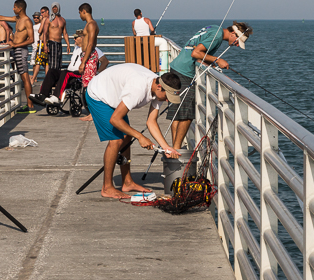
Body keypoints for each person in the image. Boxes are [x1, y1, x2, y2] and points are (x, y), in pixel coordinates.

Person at [85, 63, 182, 198]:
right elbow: (115, 120)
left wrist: (166, 147)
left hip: (115, 94)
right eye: (167, 97)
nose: (167, 100)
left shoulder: (158, 87)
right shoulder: (138, 89)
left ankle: (127, 182)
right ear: (159, 87)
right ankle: (107, 188)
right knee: (116, 140)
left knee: (126, 136)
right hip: (99, 94)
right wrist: (140, 137)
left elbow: (151, 121)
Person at [167, 21, 252, 149]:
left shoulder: (214, 28)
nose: (236, 45)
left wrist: (211, 64)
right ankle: (176, 150)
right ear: (233, 33)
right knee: (187, 115)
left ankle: (174, 148)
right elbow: (195, 53)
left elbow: (200, 55)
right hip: (185, 72)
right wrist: (218, 59)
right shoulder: (217, 37)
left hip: (177, 67)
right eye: (237, 41)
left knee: (178, 114)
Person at [0, 0, 36, 114]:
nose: (13, 9)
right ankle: (29, 105)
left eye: (14, 7)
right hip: (16, 49)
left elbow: (31, 39)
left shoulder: (27, 21)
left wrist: (15, 44)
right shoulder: (17, 19)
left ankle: (30, 106)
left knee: (25, 78)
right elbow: (1, 17)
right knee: (22, 77)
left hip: (21, 50)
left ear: (20, 8)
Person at [29, 29, 108, 106]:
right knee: (52, 71)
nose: (74, 39)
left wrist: (96, 73)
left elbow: (105, 61)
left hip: (79, 74)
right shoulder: (76, 48)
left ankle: (57, 97)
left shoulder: (93, 49)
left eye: (76, 37)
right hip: (69, 72)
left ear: (82, 38)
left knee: (65, 73)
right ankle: (42, 95)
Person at [43, 2, 71, 71]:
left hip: (59, 43)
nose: (54, 8)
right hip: (51, 42)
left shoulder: (62, 20)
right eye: (53, 7)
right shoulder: (49, 20)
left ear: (58, 8)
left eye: (56, 7)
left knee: (58, 63)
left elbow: (65, 33)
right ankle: (52, 79)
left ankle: (57, 79)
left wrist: (68, 44)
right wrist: (45, 45)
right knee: (52, 64)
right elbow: (45, 33)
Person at [77, 2, 99, 87]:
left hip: (89, 56)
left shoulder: (91, 24)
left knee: (88, 84)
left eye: (80, 13)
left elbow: (90, 44)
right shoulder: (88, 24)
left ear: (84, 11)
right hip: (86, 55)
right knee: (85, 82)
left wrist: (83, 62)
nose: (80, 16)